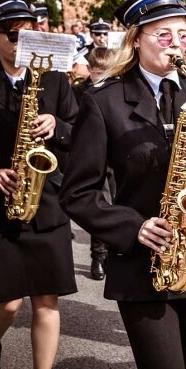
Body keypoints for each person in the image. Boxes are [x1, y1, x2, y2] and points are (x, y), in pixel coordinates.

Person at [59, 0, 186, 369]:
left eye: (183, 36)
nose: (176, 44)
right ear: (136, 39)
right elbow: (78, 192)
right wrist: (132, 227)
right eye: (163, 35)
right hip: (144, 266)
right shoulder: (103, 101)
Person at [0, 0, 78, 369]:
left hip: (46, 202)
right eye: (12, 35)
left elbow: (80, 131)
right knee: (6, 303)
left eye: (29, 32)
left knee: (46, 300)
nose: (22, 41)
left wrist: (58, 126)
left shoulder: (53, 80)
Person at [72, 47, 117, 281]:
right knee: (103, 203)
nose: (102, 78)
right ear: (89, 70)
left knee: (118, 203)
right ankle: (98, 256)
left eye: (107, 73)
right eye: (98, 73)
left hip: (116, 157)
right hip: (95, 156)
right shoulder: (78, 92)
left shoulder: (116, 91)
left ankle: (113, 253)